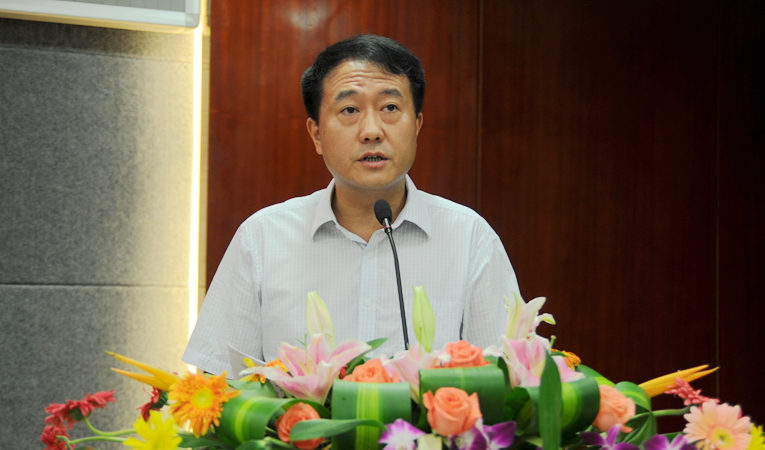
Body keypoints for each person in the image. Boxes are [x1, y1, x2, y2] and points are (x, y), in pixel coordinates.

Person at [183, 34, 521, 376]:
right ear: (317, 134)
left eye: (390, 108)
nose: (372, 131)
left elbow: (507, 381)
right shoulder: (262, 238)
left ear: (417, 125)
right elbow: (218, 385)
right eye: (349, 110)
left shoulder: (470, 238)